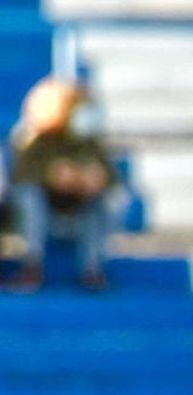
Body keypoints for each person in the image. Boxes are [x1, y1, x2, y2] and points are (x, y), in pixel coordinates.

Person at [6, 78, 120, 291]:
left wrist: (93, 180)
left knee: (105, 202)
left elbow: (111, 179)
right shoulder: (35, 140)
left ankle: (91, 269)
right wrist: (52, 177)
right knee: (28, 197)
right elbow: (20, 177)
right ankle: (32, 266)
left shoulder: (90, 143)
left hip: (75, 211)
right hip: (40, 213)